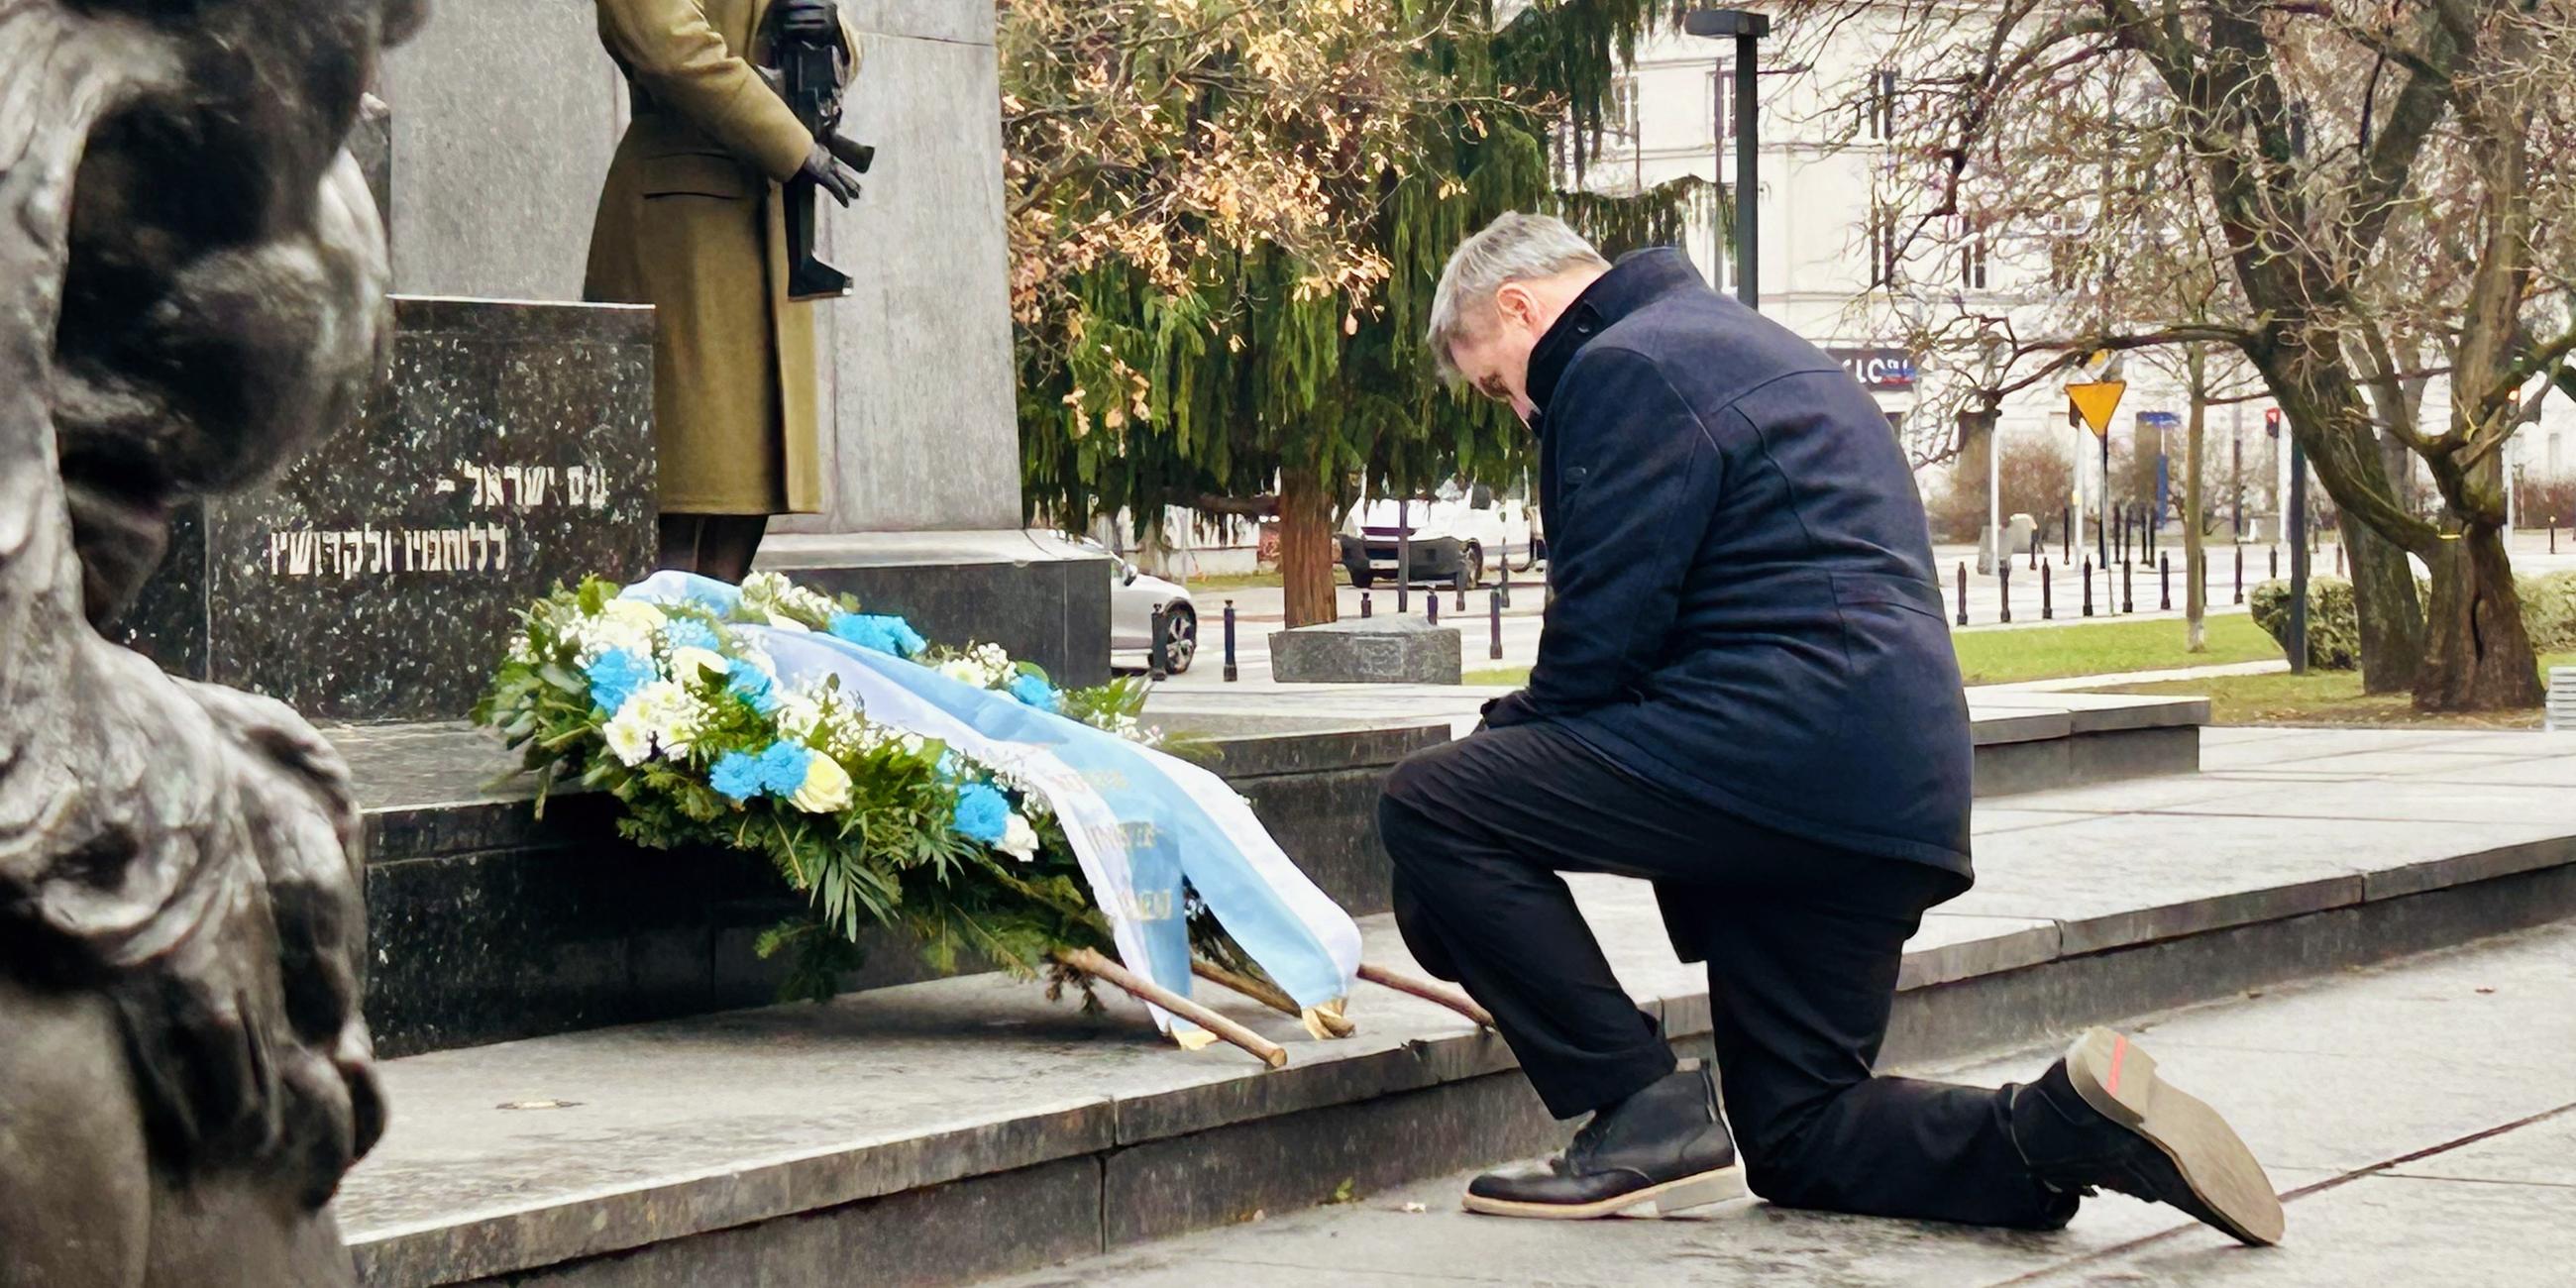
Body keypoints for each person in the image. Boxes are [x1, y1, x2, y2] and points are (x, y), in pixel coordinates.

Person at [1381, 212, 2283, 1243]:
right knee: (1799, 1130)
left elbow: (1599, 643)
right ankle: (2054, 1130)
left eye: (1501, 383)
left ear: (1519, 306)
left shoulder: (1620, 365)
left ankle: (1641, 1103)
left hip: (1779, 746)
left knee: (1430, 799)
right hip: (1879, 781)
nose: (1522, 411)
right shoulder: (1745, 346)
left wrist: (1455, 807)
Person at [586, 0, 867, 583]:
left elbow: (837, 32)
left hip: (767, 220)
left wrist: (831, 33)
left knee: (748, 483)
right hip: (683, 222)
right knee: (682, 480)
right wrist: (790, 143)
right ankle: (659, 661)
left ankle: (711, 657)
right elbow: (666, 44)